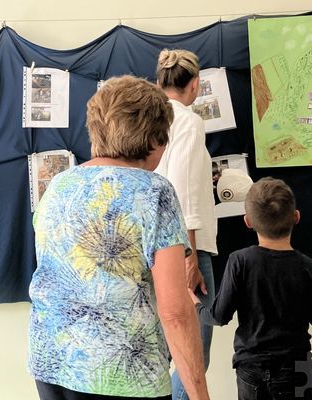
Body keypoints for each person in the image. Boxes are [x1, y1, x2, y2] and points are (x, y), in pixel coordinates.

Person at [28, 75, 209, 400]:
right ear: (154, 139)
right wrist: (200, 396)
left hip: (52, 363)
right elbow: (176, 314)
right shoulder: (154, 191)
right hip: (120, 374)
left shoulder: (58, 186)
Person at [189, 177, 312, 400]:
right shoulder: (309, 268)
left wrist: (194, 303)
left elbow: (219, 317)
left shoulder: (240, 261)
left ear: (248, 221)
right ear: (296, 217)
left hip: (251, 369)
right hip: (297, 369)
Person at [154, 48, 217, 400]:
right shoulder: (189, 121)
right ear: (195, 85)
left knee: (162, 351)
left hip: (156, 248)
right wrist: (190, 254)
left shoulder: (151, 118)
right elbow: (183, 191)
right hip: (187, 248)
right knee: (194, 355)